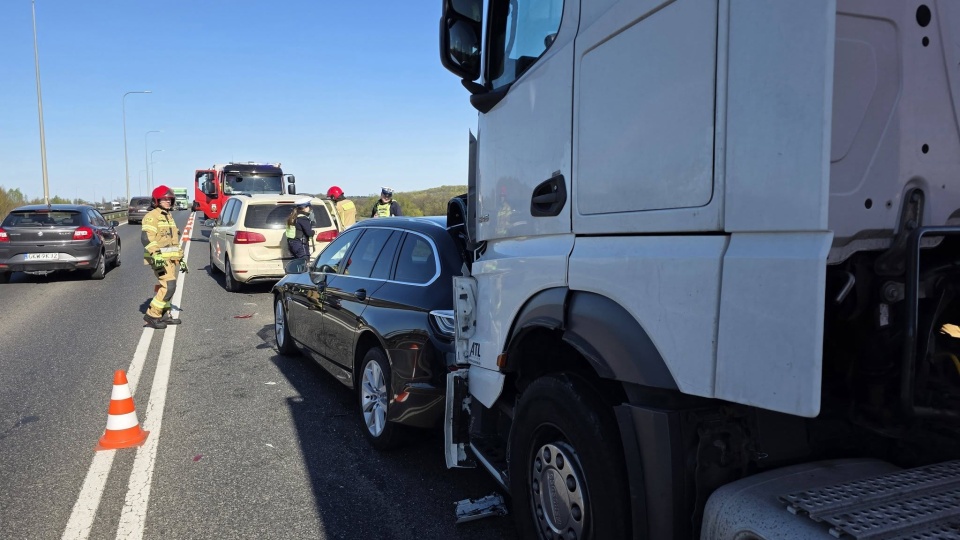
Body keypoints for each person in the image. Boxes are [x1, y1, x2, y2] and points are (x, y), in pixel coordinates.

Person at [141, 185, 186, 330]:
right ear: (156, 200)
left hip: (170, 260)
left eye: (170, 199)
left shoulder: (168, 216)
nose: (168, 202)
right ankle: (152, 315)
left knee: (168, 287)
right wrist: (156, 255)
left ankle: (164, 314)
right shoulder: (152, 216)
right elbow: (146, 238)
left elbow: (173, 241)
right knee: (169, 286)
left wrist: (181, 259)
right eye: (164, 199)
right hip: (159, 260)